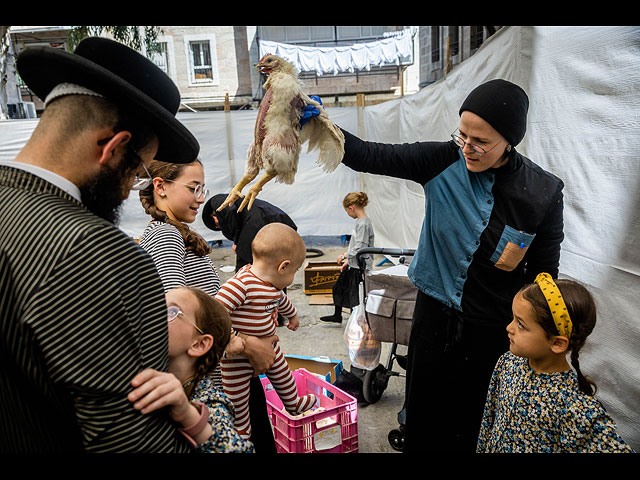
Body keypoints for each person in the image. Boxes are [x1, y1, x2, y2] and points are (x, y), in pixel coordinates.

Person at [336, 79, 566, 452]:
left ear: (510, 141)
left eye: (481, 142)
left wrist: (540, 338)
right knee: (425, 419)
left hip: (492, 331)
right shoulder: (443, 159)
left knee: (475, 423)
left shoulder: (542, 192)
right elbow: (369, 154)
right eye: (463, 136)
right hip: (432, 320)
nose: (468, 149)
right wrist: (312, 121)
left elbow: (543, 275)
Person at [0, 37, 203, 452]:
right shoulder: (96, 253)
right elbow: (131, 442)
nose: (131, 189)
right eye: (139, 171)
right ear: (113, 149)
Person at [139, 165, 279, 453]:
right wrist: (246, 344)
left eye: (201, 189)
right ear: (160, 187)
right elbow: (177, 313)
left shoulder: (176, 232)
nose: (200, 198)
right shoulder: (166, 235)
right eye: (193, 188)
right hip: (215, 378)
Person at [477, 274, 634, 453]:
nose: (509, 328)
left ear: (557, 343)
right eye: (513, 318)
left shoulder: (576, 409)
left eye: (521, 325)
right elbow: (489, 421)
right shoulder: (508, 363)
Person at [215, 223, 317, 437]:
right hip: (236, 356)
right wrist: (232, 339)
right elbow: (216, 311)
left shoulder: (271, 285)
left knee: (283, 373)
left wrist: (293, 316)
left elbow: (281, 301)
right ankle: (241, 429)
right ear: (283, 267)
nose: (293, 278)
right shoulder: (241, 284)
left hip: (267, 345)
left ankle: (294, 403)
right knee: (237, 396)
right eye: (295, 272)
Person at [128, 286, 254, 453]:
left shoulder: (209, 399)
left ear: (199, 344)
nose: (155, 315)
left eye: (171, 311)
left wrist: (188, 415)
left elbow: (239, 450)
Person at [202, 193, 298, 272]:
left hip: (258, 222)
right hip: (275, 218)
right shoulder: (233, 203)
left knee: (245, 268)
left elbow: (231, 210)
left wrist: (236, 241)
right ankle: (277, 294)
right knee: (276, 265)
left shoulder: (216, 201)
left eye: (217, 225)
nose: (220, 224)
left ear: (213, 216)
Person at [320, 191, 375, 324]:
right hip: (354, 264)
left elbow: (360, 248)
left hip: (360, 267)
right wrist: (349, 262)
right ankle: (337, 315)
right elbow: (355, 245)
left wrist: (344, 255)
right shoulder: (360, 222)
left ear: (351, 208)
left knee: (355, 296)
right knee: (339, 288)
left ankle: (356, 321)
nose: (348, 215)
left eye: (347, 211)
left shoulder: (363, 224)